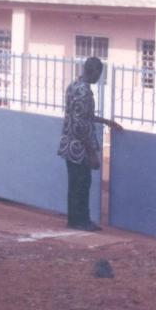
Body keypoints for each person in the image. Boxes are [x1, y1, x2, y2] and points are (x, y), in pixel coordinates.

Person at [57, 56, 122, 231]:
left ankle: (75, 220)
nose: (98, 78)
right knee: (82, 184)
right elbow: (80, 124)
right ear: (92, 71)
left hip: (69, 144)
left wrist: (107, 122)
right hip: (79, 148)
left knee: (75, 184)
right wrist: (91, 152)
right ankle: (82, 221)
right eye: (98, 74)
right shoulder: (84, 92)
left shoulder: (73, 86)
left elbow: (85, 116)